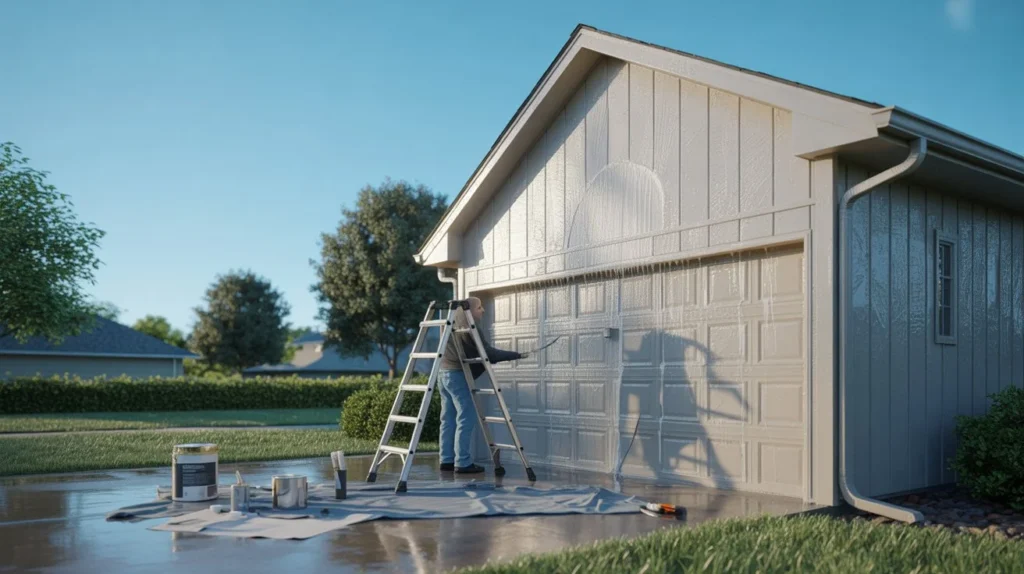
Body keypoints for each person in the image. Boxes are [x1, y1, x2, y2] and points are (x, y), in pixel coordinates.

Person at [437, 297, 527, 473]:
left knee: (447, 418)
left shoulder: (452, 319)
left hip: (443, 374)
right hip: (457, 375)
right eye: (479, 307)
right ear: (468, 309)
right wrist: (516, 355)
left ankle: (446, 460)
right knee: (466, 416)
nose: (483, 310)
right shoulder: (470, 326)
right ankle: (462, 463)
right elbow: (489, 353)